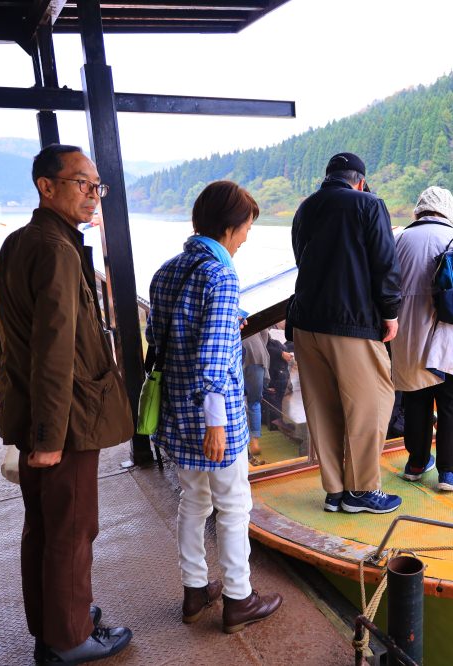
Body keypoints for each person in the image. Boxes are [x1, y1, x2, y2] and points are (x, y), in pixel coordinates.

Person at [0, 144, 135, 664]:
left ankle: (55, 618)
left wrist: (26, 422)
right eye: (83, 183)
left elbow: (6, 340)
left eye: (97, 186)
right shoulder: (55, 249)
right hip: (66, 420)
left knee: (46, 524)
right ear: (45, 186)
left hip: (37, 413)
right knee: (72, 527)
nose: (93, 195)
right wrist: (50, 438)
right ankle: (69, 639)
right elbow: (54, 351)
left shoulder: (21, 241)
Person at [146, 180, 282, 633]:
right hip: (213, 415)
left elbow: (160, 340)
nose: (246, 237)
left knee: (193, 501)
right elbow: (213, 356)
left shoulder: (166, 271)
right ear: (229, 227)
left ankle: (194, 591)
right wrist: (216, 421)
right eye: (245, 228)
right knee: (233, 505)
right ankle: (240, 599)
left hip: (176, 411)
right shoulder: (221, 275)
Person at [289, 152, 403, 514]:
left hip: (306, 324)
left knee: (322, 408)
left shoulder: (305, 208)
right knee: (372, 403)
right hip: (351, 324)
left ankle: (335, 490)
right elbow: (385, 263)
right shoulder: (369, 204)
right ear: (360, 180)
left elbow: (300, 260)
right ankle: (362, 490)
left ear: (328, 177)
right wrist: (390, 312)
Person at [391, 187, 453, 492]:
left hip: (410, 337)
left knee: (416, 401)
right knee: (452, 404)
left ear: (418, 210)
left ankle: (416, 463)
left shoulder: (399, 240)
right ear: (448, 211)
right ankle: (450, 473)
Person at [242, 329, 270, 465]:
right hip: (257, 355)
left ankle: (244, 448)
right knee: (254, 403)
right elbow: (265, 333)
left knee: (239, 403)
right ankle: (255, 441)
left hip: (238, 352)